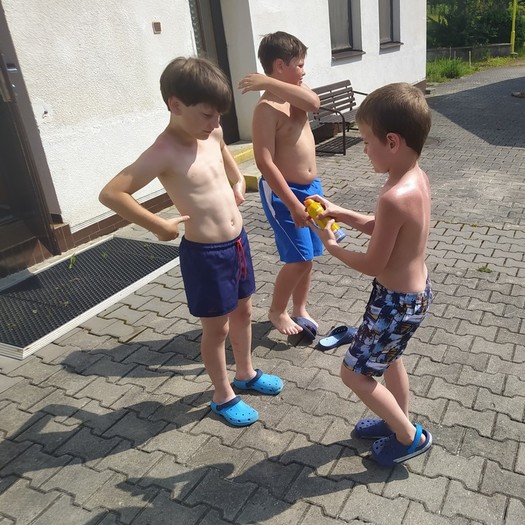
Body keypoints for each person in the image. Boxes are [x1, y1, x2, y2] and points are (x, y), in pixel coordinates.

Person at [99, 57, 283, 428]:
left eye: (219, 116)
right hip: (206, 255)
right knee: (217, 330)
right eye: (207, 115)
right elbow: (112, 193)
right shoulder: (163, 151)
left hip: (237, 243)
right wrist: (158, 226)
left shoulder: (211, 133)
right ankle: (222, 395)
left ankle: (245, 373)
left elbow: (225, 153)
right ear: (176, 105)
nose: (215, 124)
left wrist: (236, 180)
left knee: (244, 313)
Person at [310, 83, 434, 466]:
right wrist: (340, 212)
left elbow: (372, 264)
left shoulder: (393, 196)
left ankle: (407, 436)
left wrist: (332, 246)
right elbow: (383, 228)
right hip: (410, 297)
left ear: (392, 142)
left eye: (366, 141)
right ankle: (395, 419)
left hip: (395, 303)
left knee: (353, 374)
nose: (363, 149)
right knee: (390, 358)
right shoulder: (413, 178)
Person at [237, 31, 323, 340]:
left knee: (309, 257)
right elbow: (264, 162)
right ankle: (277, 310)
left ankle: (300, 308)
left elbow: (314, 103)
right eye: (299, 65)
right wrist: (292, 203)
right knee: (298, 258)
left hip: (312, 189)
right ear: (280, 65)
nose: (304, 71)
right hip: (285, 194)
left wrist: (269, 82)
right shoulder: (265, 110)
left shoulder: (295, 97)